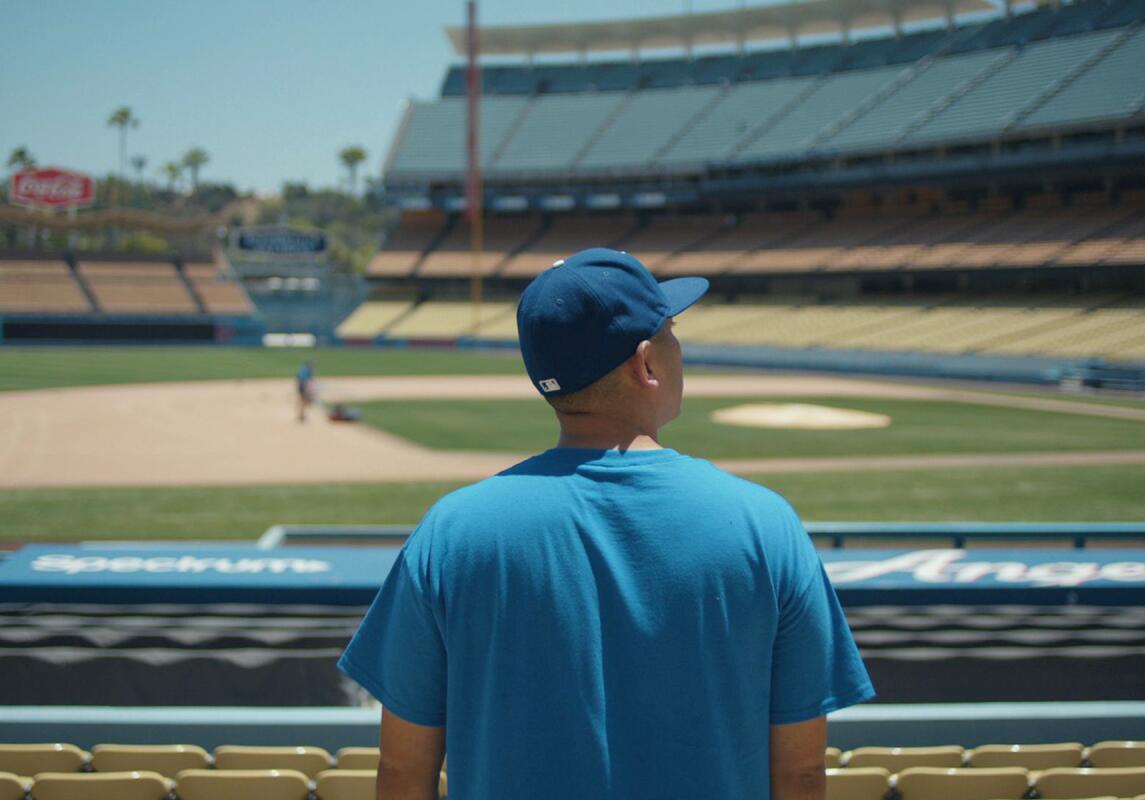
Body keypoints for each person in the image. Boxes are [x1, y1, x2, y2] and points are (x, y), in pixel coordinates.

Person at [338, 248, 874, 800]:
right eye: (671, 331)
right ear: (646, 364)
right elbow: (802, 773)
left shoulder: (450, 532)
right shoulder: (765, 525)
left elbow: (403, 772)